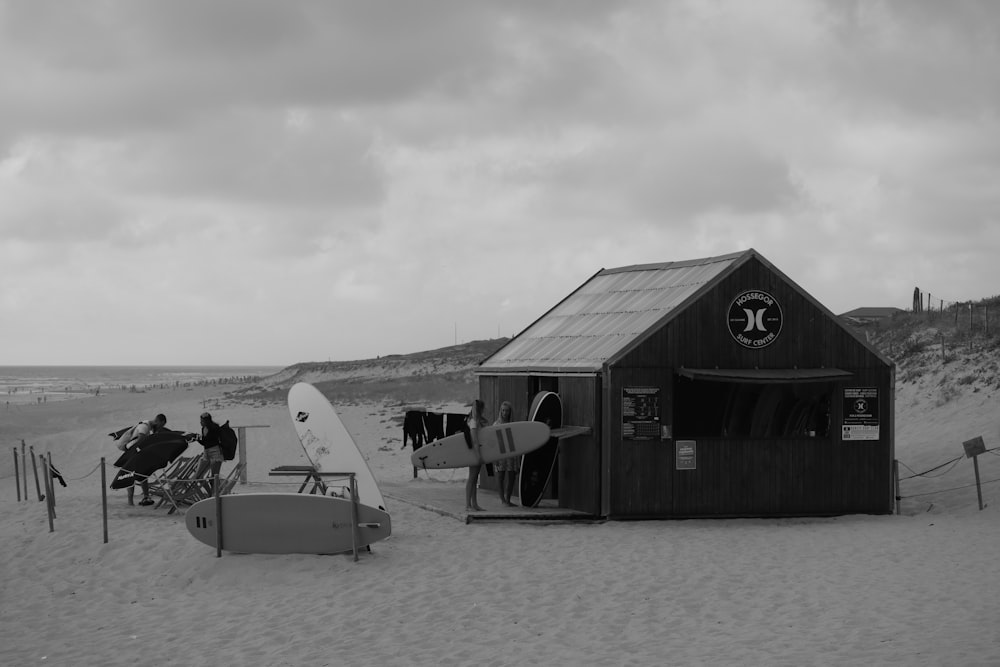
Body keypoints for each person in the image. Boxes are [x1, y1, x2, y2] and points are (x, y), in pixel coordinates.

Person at [119, 413, 167, 506]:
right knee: (131, 474)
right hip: (132, 453)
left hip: (136, 453)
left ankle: (145, 497)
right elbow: (140, 440)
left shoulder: (149, 427)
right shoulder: (145, 427)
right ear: (158, 421)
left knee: (143, 473)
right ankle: (131, 501)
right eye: (161, 425)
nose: (161, 427)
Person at [493, 401, 518, 506]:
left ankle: (508, 499)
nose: (504, 412)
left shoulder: (513, 424)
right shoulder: (496, 424)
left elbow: (517, 440)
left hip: (511, 453)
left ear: (510, 412)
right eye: (503, 410)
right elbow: (493, 442)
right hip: (500, 453)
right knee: (500, 476)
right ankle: (503, 500)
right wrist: (494, 458)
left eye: (507, 410)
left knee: (512, 476)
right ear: (500, 411)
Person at [465, 399, 487, 511]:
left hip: (477, 452)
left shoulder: (476, 421)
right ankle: (468, 504)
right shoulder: (473, 422)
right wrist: (478, 456)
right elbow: (474, 441)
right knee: (472, 478)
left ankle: (474, 504)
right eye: (482, 409)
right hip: (474, 453)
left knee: (474, 478)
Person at [194, 412, 225, 481]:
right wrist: (197, 438)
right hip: (207, 452)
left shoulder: (214, 428)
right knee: (198, 476)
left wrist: (199, 438)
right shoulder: (204, 428)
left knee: (214, 476)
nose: (200, 422)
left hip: (215, 452)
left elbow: (210, 441)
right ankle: (211, 490)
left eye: (202, 421)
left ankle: (215, 490)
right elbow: (205, 443)